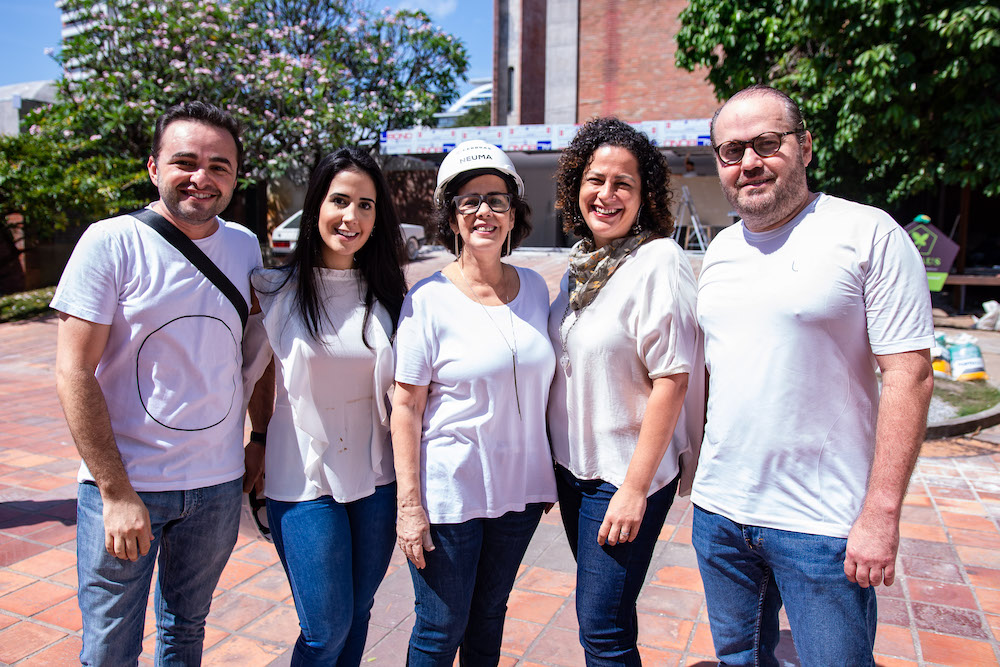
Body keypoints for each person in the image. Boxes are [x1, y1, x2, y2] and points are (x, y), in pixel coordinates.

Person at [692, 85, 934, 665]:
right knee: (740, 660)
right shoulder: (720, 250)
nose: (748, 162)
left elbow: (911, 376)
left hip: (823, 524)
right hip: (721, 514)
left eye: (766, 144)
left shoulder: (868, 233)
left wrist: (880, 514)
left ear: (805, 147)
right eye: (731, 151)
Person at [51, 101, 272, 665]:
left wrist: (261, 437)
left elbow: (257, 353)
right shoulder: (111, 242)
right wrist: (116, 493)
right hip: (129, 484)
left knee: (186, 629)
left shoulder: (245, 246)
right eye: (186, 161)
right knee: (110, 642)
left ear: (236, 175)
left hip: (218, 486)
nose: (203, 177)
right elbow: (74, 370)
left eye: (220, 165)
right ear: (154, 168)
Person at [391, 140, 557, 666]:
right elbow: (406, 407)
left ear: (514, 214)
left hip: (519, 492)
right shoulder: (427, 299)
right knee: (441, 628)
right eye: (469, 201)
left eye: (497, 199)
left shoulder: (534, 287)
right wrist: (410, 506)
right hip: (450, 492)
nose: (484, 210)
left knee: (489, 617)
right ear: (453, 217)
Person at [547, 116, 704, 666]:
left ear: (645, 196)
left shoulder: (657, 260)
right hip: (574, 474)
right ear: (576, 186)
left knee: (603, 628)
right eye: (596, 180)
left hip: (622, 477)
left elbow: (673, 377)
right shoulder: (580, 269)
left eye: (623, 184)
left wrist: (635, 489)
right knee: (608, 613)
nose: (606, 195)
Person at [244, 148, 408, 666]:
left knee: (358, 616)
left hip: (378, 482)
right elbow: (249, 377)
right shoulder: (273, 291)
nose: (351, 217)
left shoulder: (388, 295)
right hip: (304, 483)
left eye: (366, 205)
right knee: (324, 630)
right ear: (316, 205)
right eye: (340, 200)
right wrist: (257, 441)